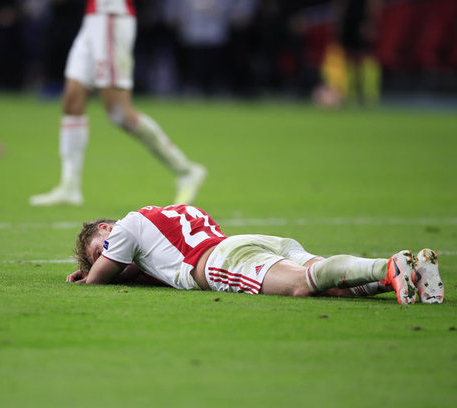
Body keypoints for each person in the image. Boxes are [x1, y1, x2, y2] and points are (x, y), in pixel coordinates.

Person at [66, 204, 444, 304]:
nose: (106, 259)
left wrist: (87, 276)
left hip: (221, 260)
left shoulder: (126, 227)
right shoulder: (160, 220)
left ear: (106, 230)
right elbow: (143, 267)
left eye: (100, 250)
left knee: (301, 285)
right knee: (331, 286)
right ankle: (411, 274)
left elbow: (99, 279)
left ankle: (390, 265)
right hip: (251, 243)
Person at [29, 0, 206, 206]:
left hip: (111, 14)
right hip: (93, 18)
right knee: (72, 99)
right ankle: (69, 186)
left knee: (119, 113)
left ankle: (186, 171)